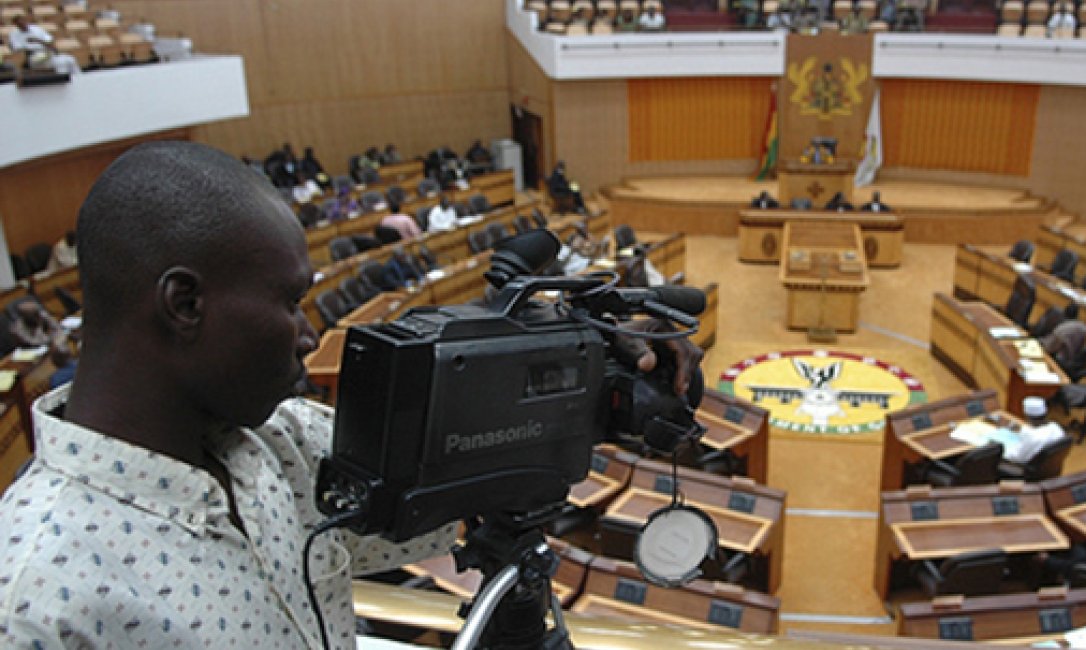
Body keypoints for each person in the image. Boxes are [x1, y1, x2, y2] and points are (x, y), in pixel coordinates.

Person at [0, 141, 703, 647]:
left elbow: (476, 463)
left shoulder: (286, 444)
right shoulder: (35, 599)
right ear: (185, 304)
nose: (309, 336)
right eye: (289, 302)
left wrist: (609, 376)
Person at [7, 15, 81, 75]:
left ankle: (79, 79)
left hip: (47, 52)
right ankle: (63, 81)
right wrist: (32, 45)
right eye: (19, 24)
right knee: (60, 63)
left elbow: (48, 39)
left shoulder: (36, 28)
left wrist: (39, 41)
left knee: (70, 59)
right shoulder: (14, 35)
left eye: (23, 22)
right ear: (16, 25)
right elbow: (18, 48)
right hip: (33, 56)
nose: (22, 25)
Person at [1002, 397, 1066, 464]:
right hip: (1047, 467)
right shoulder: (1057, 428)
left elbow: (1015, 457)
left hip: (1023, 469)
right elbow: (1032, 431)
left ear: (1027, 416)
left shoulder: (1033, 437)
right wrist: (1014, 427)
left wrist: (1001, 448)